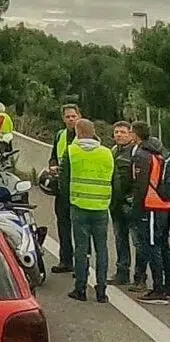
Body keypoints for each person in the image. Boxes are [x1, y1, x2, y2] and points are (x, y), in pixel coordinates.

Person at [60, 118, 113, 303]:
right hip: (100, 208)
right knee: (102, 249)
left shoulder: (72, 151)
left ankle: (80, 289)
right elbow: (114, 179)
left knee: (81, 249)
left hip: (79, 206)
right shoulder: (107, 153)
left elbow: (64, 180)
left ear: (77, 132)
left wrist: (66, 204)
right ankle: (101, 291)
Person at [131, 120, 170, 302]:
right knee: (162, 245)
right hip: (163, 204)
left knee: (152, 246)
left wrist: (136, 209)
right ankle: (166, 286)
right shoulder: (159, 151)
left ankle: (159, 289)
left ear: (136, 134)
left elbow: (140, 184)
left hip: (151, 205)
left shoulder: (142, 155)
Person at [49, 104, 82, 275]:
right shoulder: (60, 135)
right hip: (62, 190)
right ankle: (65, 260)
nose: (70, 119)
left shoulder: (86, 136)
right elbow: (53, 156)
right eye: (68, 116)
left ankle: (81, 264)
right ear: (63, 118)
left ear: (79, 117)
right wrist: (52, 167)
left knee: (80, 229)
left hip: (78, 190)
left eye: (73, 116)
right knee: (63, 226)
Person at [109, 121, 136, 286]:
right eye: (116, 132)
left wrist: (131, 198)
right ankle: (122, 272)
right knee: (120, 238)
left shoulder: (135, 152)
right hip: (115, 203)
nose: (119, 135)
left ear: (130, 134)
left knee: (138, 242)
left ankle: (140, 277)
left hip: (130, 203)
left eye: (122, 132)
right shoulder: (112, 151)